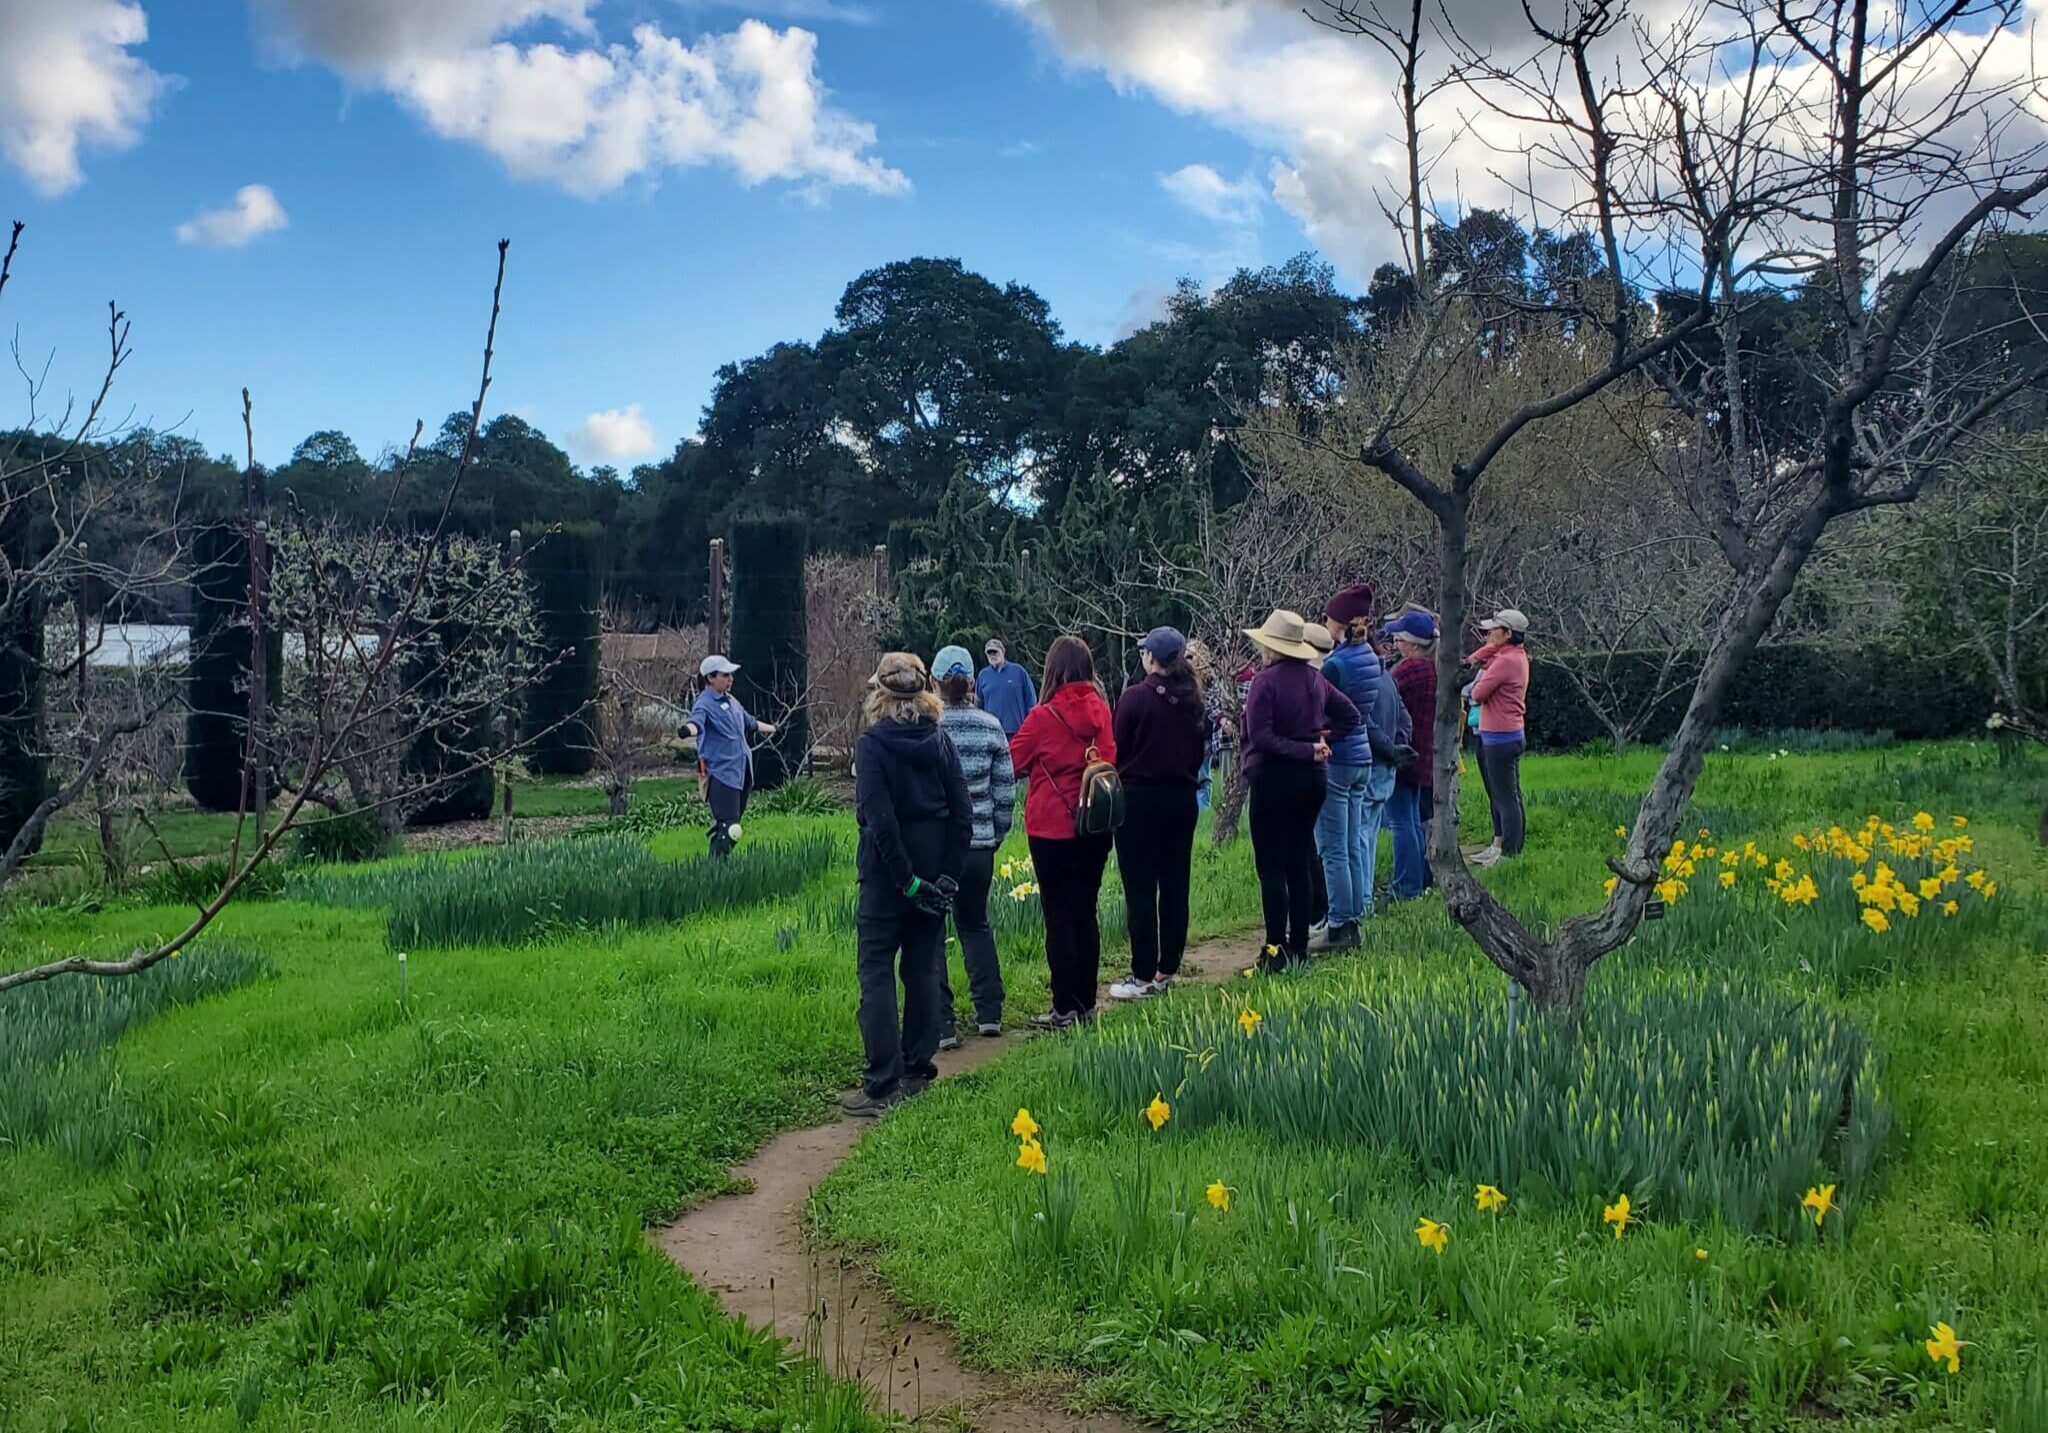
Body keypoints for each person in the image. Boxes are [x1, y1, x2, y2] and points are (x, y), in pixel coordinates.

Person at [843, 652, 972, 1117]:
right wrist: (946, 877)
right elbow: (963, 813)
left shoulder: (873, 746)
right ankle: (917, 1069)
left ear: (879, 692)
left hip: (886, 880)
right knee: (921, 971)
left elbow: (880, 821)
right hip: (932, 877)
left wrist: (907, 882)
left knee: (876, 972)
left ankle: (882, 1083)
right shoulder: (939, 741)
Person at [1241, 610, 1360, 970]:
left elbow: (1260, 737)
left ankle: (1275, 949)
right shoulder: (1315, 680)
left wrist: (1305, 747)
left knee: (1272, 868)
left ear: (1271, 647)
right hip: (1312, 780)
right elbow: (1351, 716)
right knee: (1299, 863)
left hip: (1275, 779)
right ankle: (1300, 947)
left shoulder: (1265, 683)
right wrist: (1321, 740)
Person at [1009, 635, 1117, 1027]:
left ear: (1053, 669)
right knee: (1085, 912)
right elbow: (1110, 756)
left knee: (1058, 916)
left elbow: (1014, 759)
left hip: (1052, 827)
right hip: (1095, 823)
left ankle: (1064, 1006)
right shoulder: (1101, 711)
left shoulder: (1042, 717)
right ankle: (1087, 1003)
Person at [1108, 627, 1207, 1000]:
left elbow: (1118, 751)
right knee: (1175, 885)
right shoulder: (1194, 699)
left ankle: (1142, 973)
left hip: (1140, 800)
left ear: (1151, 658)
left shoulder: (1134, 699)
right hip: (1182, 799)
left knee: (1141, 889)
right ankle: (1167, 969)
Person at [931, 644, 1014, 1045]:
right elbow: (1005, 793)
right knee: (976, 926)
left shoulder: (929, 729)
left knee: (931, 933)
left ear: (935, 683)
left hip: (936, 851)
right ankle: (989, 1013)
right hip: (979, 847)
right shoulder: (991, 725)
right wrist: (995, 835)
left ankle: (943, 1026)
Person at [1310, 586, 1382, 952]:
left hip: (1338, 759)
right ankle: (1353, 919)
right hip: (1363, 756)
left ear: (1337, 623)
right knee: (1353, 843)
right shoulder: (1370, 655)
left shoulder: (1336, 665)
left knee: (1333, 848)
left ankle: (1339, 925)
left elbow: (1322, 709)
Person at [682, 654, 776, 858]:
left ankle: (718, 865)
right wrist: (687, 730)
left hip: (741, 772)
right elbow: (696, 723)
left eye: (730, 675)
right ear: (710, 678)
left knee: (733, 827)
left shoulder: (731, 701)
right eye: (725, 675)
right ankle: (715, 868)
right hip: (722, 775)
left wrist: (774, 729)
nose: (730, 679)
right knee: (729, 827)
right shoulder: (704, 703)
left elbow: (749, 722)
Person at [1382, 610, 1440, 899]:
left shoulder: (1408, 670)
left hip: (1404, 753)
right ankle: (1421, 879)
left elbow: (1385, 698)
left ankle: (1406, 886)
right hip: (1424, 755)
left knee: (1401, 822)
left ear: (1414, 644)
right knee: (1414, 820)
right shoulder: (1434, 669)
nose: (1395, 642)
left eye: (1400, 637)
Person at [1467, 608, 1531, 867]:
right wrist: (1479, 656)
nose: (1488, 633)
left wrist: (1475, 678)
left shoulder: (1506, 661)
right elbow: (1476, 661)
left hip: (1501, 738)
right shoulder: (1509, 655)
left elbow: (1477, 693)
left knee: (1506, 798)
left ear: (1507, 634)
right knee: (1501, 794)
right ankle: (1498, 843)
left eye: (1494, 630)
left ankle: (1510, 852)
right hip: (1502, 735)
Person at [975, 638, 1038, 737]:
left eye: (995, 652)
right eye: (989, 652)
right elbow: (978, 706)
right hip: (991, 733)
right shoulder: (983, 676)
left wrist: (1029, 728)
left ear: (1003, 652)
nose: (992, 655)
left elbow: (1031, 701)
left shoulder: (1019, 672)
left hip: (1017, 733)